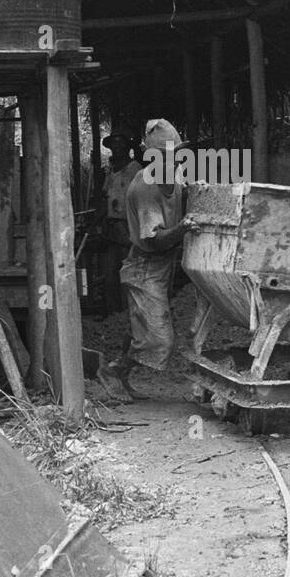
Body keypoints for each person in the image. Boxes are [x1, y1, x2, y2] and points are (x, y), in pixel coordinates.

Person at [98, 118, 196, 400]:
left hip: (162, 265)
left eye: (177, 154)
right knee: (160, 340)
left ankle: (121, 374)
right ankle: (113, 371)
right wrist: (184, 228)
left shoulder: (174, 175)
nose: (175, 160)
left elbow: (182, 192)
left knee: (144, 328)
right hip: (144, 266)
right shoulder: (144, 187)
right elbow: (155, 238)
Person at [98, 131, 141, 313]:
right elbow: (104, 196)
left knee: (127, 268)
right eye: (113, 145)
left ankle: (128, 311)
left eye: (120, 144)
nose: (116, 148)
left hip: (128, 225)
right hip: (112, 224)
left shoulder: (135, 170)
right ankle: (112, 312)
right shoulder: (109, 171)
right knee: (110, 272)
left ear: (127, 148)